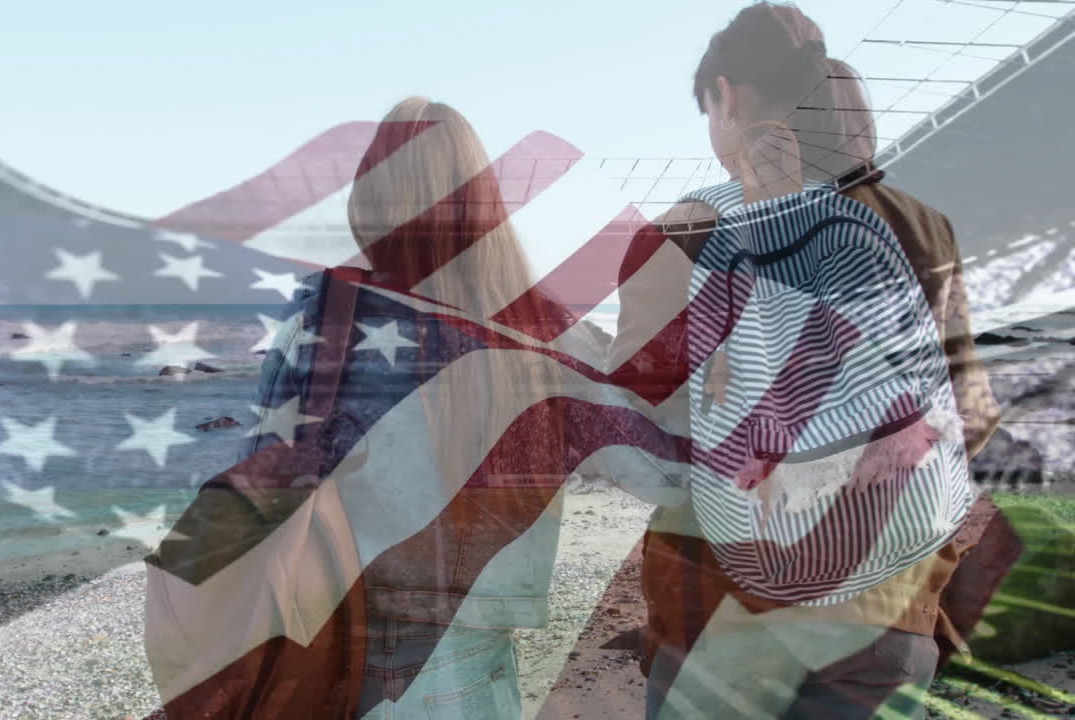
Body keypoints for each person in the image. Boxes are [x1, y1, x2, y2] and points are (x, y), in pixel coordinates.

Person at [609, 3, 1002, 718]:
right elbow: (969, 422)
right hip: (887, 610)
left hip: (722, 619)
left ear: (725, 95)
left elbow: (644, 450)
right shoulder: (923, 229)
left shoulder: (680, 234)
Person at [145, 97, 582, 719]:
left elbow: (262, 469)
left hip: (349, 640)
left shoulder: (326, 307)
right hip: (480, 647)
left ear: (370, 194)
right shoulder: (545, 325)